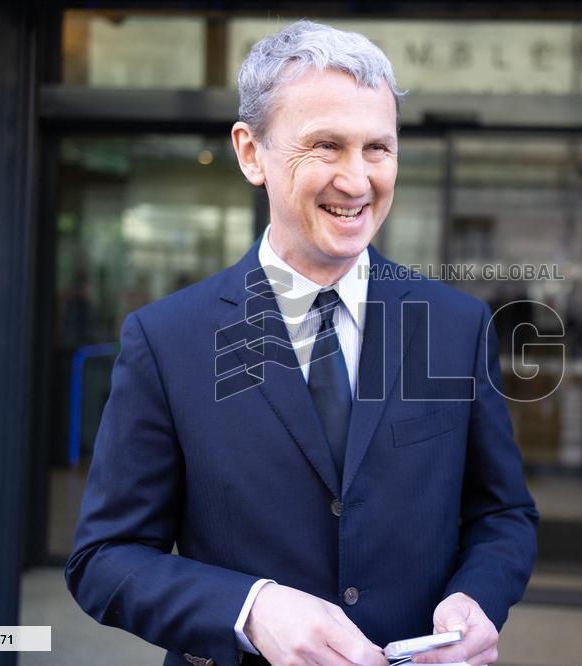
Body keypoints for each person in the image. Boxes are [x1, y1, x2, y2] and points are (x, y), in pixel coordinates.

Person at [66, 20, 538, 666]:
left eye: (378, 148)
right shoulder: (165, 340)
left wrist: (477, 599)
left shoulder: (455, 326)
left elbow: (504, 515)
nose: (358, 179)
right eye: (326, 146)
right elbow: (103, 559)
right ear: (250, 152)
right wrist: (251, 608)